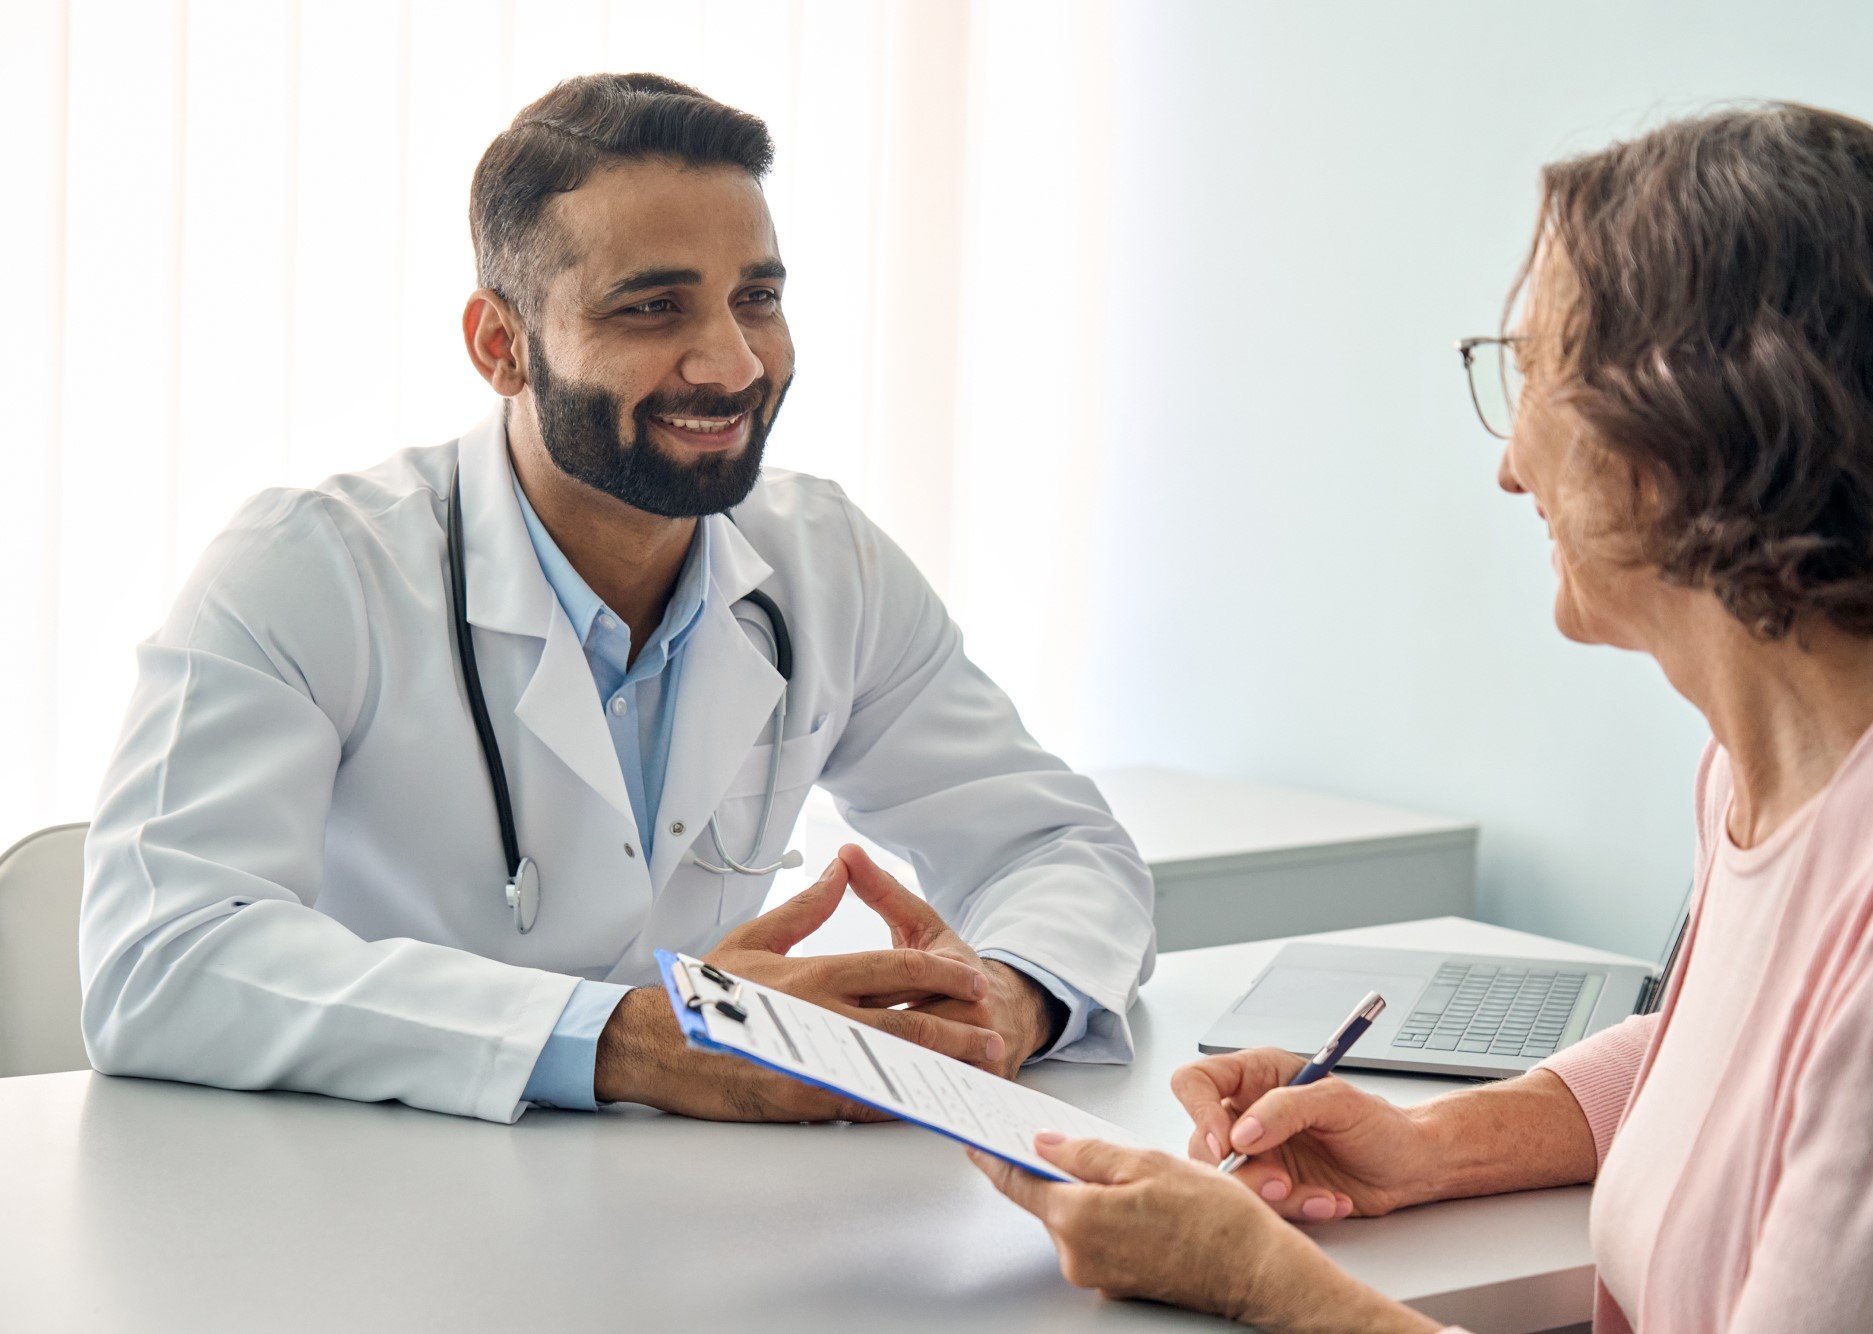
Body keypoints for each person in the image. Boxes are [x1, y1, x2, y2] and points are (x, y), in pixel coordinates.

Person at [972, 102, 1873, 1332]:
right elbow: (1726, 1071)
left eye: (1532, 369)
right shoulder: (1773, 762)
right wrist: (1428, 1143)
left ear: (1690, 421)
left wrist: (1263, 1280)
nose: (1508, 463)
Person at [79, 73, 1155, 1125]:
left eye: (758, 299)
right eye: (652, 307)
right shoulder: (309, 569)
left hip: (702, 1216)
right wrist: (635, 1039)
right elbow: (158, 956)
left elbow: (1057, 848)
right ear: (501, 344)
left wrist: (1007, 997)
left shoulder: (827, 562)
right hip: (376, 1213)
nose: (732, 362)